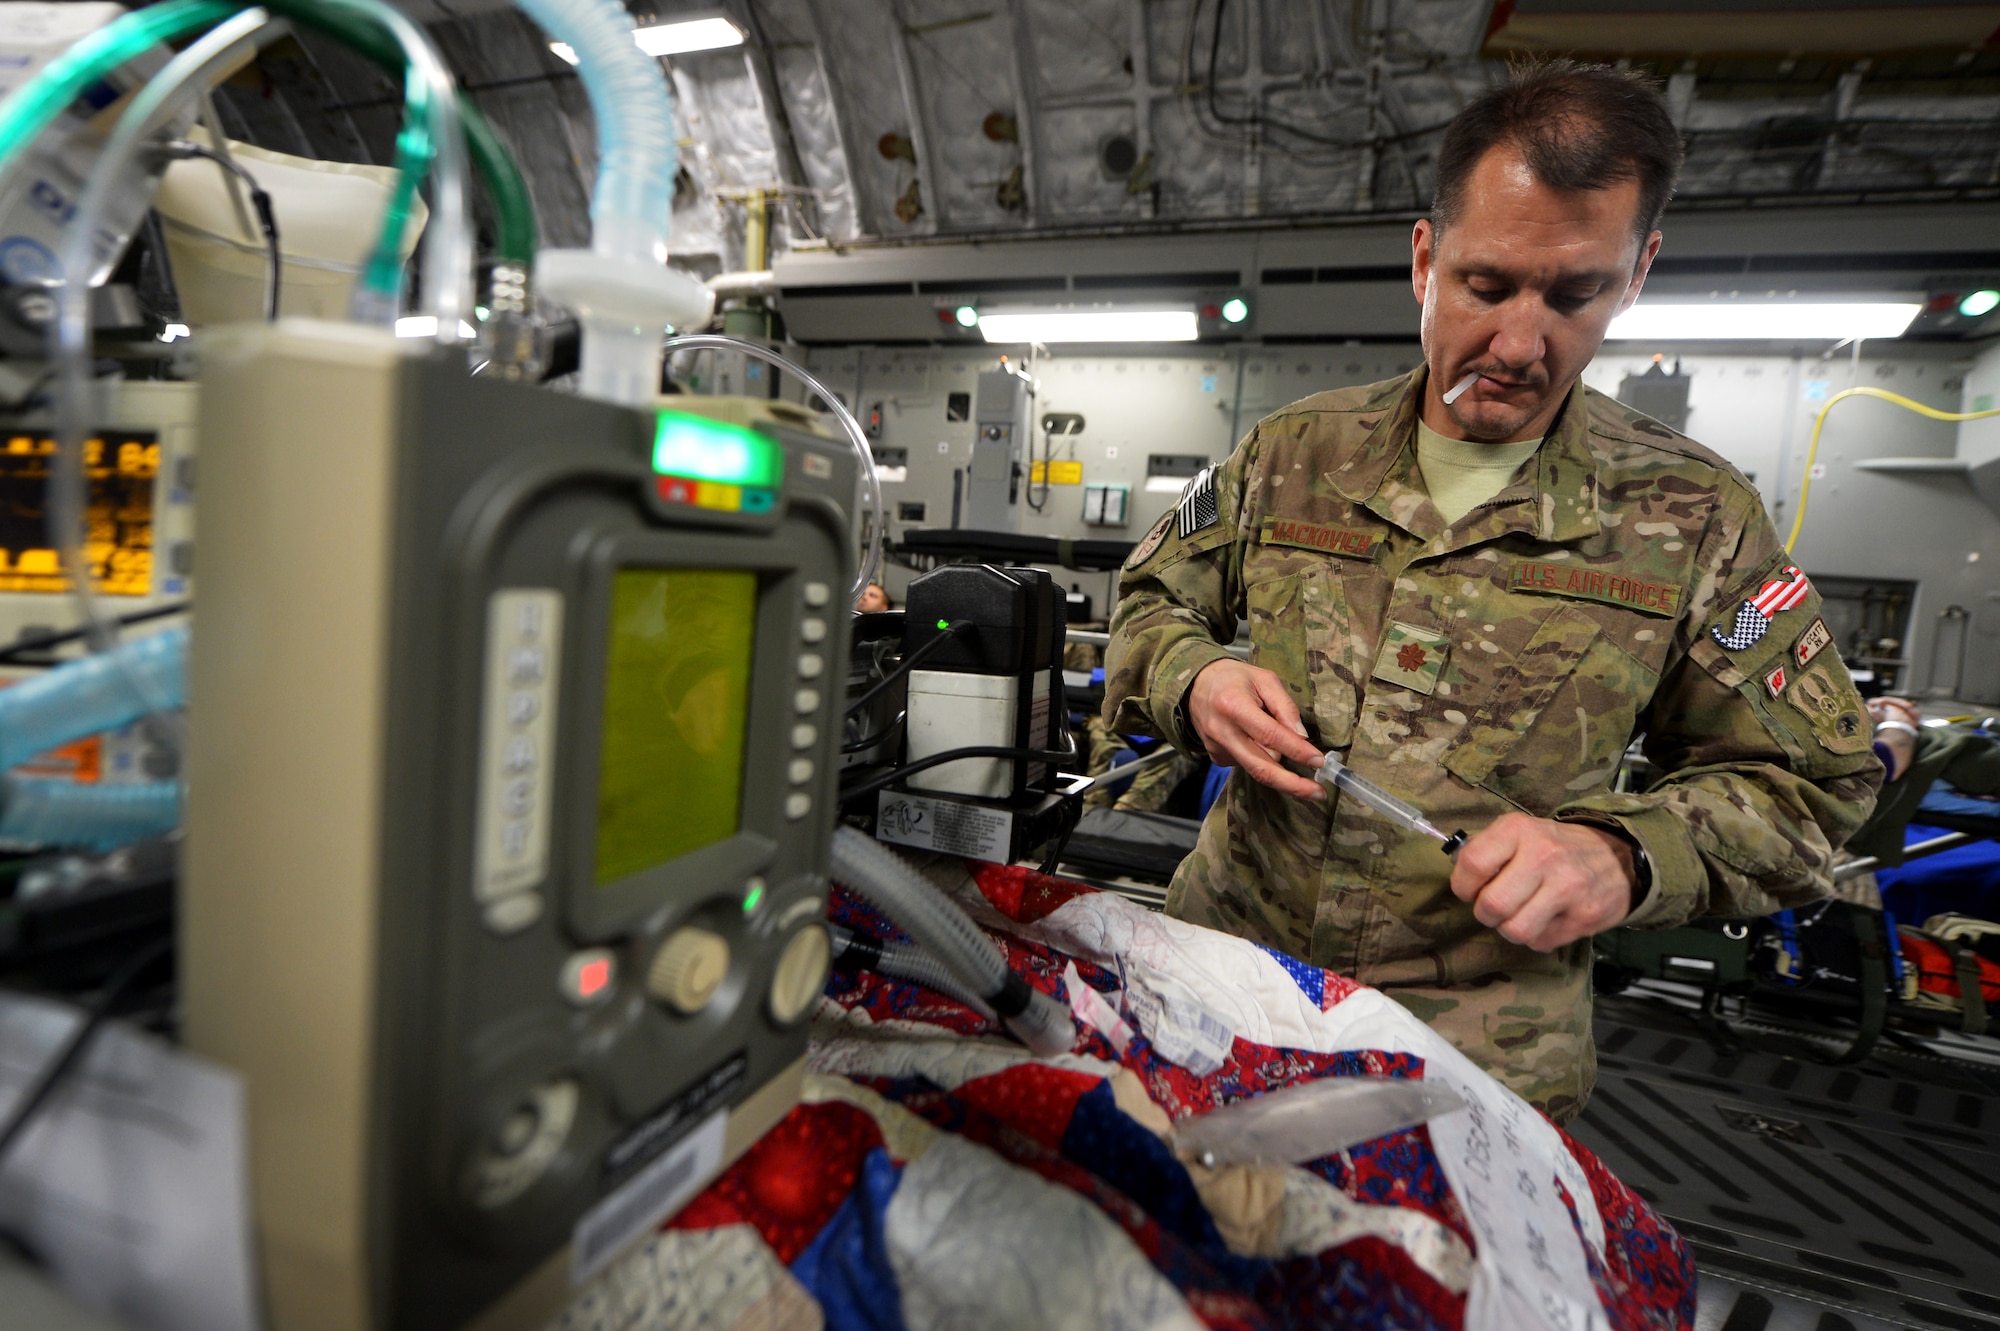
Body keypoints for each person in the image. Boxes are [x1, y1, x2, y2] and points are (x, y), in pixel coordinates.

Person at [1103, 60, 1882, 1122]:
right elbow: (1147, 599)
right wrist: (1195, 677)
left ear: (1636, 272)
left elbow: (1813, 786)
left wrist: (1621, 853)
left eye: (1574, 295)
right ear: (1424, 258)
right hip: (1220, 993)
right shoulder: (1293, 451)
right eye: (1486, 285)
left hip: (1468, 1068)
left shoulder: (1695, 518)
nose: (1520, 344)